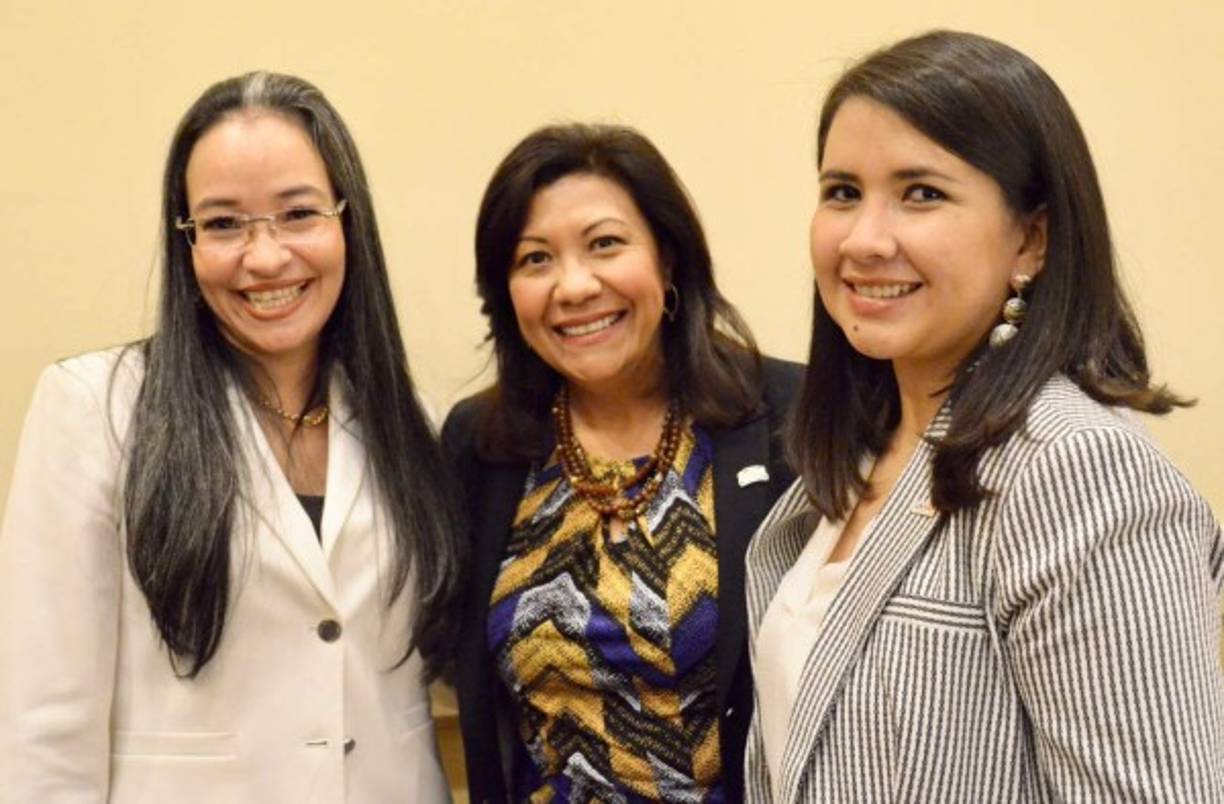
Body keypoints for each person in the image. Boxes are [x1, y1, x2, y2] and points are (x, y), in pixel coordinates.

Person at [745, 29, 1224, 802]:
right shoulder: (857, 457)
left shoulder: (1079, 473)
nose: (864, 239)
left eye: (922, 193)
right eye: (842, 192)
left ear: (1030, 239)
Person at [0, 71, 462, 801]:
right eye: (223, 224)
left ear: (349, 221)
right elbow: (43, 727)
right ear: (185, 241)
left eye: (298, 213)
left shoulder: (414, 425)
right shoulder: (95, 410)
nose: (266, 256)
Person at [443, 122, 801, 802]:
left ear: (667, 260)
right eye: (535, 259)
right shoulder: (484, 444)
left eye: (605, 244)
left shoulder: (789, 418)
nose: (573, 286)